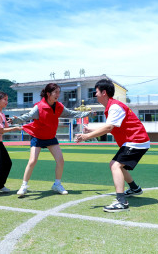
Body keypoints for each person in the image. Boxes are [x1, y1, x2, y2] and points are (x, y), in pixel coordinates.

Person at [75, 79, 150, 212]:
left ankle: (121, 202)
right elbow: (112, 127)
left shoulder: (114, 107)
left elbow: (109, 127)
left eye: (96, 92)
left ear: (104, 92)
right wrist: (90, 130)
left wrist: (86, 137)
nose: (95, 95)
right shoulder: (112, 107)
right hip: (135, 141)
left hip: (136, 141)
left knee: (115, 165)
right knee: (117, 165)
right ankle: (134, 188)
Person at [12, 83, 92, 196]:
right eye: (56, 92)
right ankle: (24, 186)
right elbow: (27, 116)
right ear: (48, 94)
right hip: (38, 136)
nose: (58, 95)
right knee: (32, 161)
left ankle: (57, 184)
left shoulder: (59, 106)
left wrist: (86, 113)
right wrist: (16, 120)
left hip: (50, 137)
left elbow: (71, 113)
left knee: (60, 160)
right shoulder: (39, 107)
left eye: (59, 92)